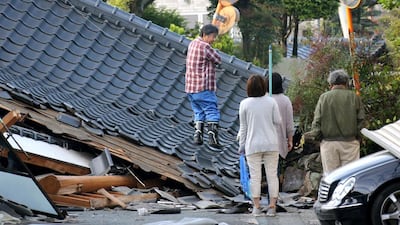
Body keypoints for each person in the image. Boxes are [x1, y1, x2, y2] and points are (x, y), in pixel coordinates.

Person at [305, 69, 365, 176]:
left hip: (329, 143)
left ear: (331, 84)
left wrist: (317, 138)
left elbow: (317, 121)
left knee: (331, 177)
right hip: (350, 143)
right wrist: (358, 137)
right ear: (346, 83)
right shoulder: (354, 97)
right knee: (350, 177)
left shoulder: (324, 98)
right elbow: (361, 121)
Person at [238, 75, 282, 217]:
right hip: (271, 143)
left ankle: (256, 207)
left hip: (252, 144)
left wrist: (241, 146)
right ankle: (272, 206)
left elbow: (243, 128)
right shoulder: (271, 101)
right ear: (264, 87)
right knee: (272, 175)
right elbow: (278, 121)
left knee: (255, 176)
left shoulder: (244, 104)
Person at [185, 24, 222, 148]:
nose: (214, 39)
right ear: (206, 35)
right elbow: (218, 59)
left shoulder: (192, 44)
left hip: (190, 87)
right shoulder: (205, 46)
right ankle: (213, 139)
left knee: (198, 111)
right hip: (203, 87)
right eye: (213, 36)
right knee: (211, 110)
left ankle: (198, 136)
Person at [265, 72, 295, 186]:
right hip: (278, 141)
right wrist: (290, 140)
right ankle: (274, 195)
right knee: (274, 172)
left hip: (263, 140)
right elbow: (289, 123)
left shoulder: (263, 98)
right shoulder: (285, 100)